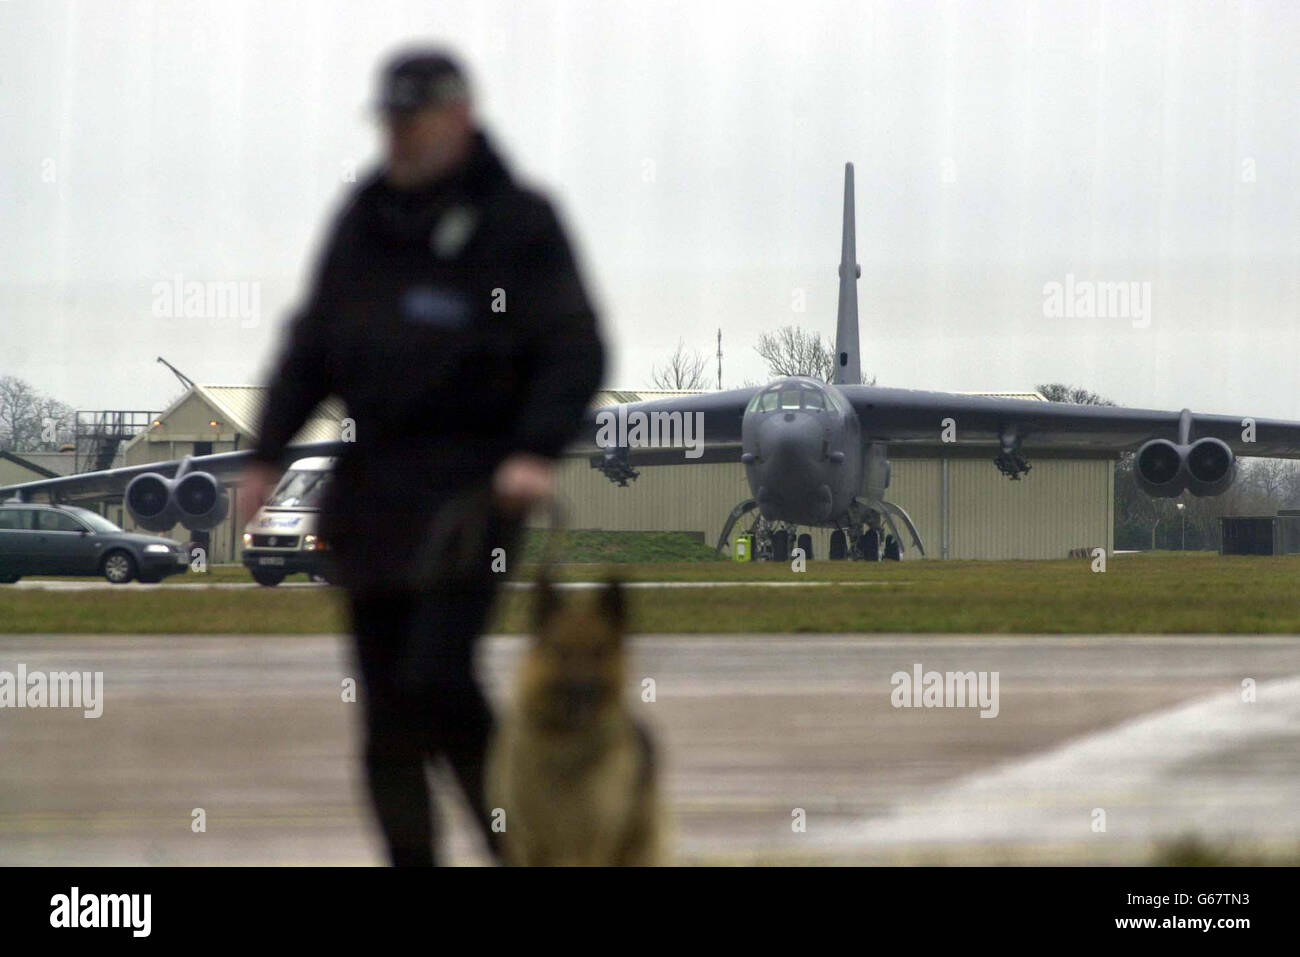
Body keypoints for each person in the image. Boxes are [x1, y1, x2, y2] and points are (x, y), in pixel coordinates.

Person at [239, 47, 605, 865]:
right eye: (391, 123)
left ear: (460, 118)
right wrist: (266, 452)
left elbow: (575, 349)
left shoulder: (519, 222)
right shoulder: (364, 219)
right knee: (385, 714)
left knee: (437, 677)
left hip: (477, 491)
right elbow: (312, 346)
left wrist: (535, 448)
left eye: (415, 122)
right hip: (374, 495)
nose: (400, 139)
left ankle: (523, 847)